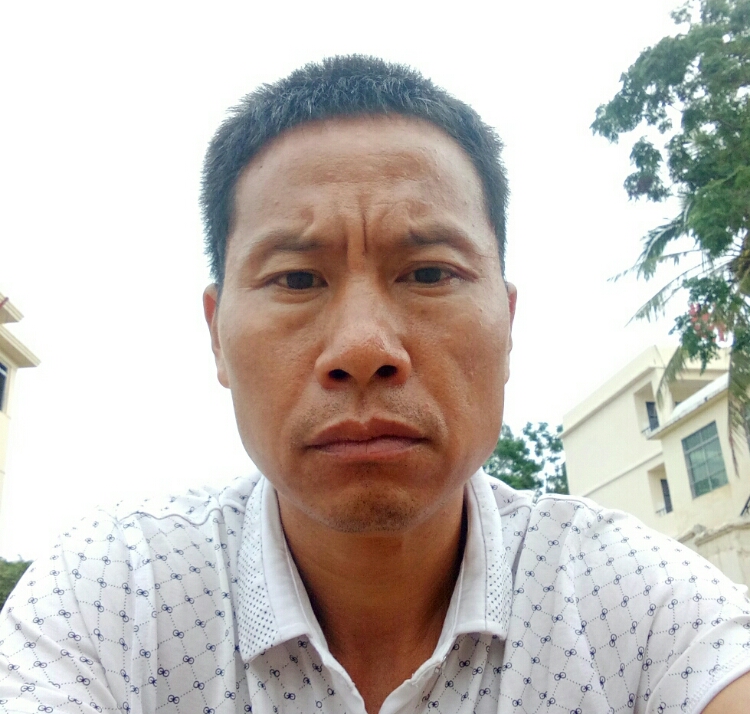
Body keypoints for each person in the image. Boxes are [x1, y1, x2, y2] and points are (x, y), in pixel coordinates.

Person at [1, 56, 749, 714]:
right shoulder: (115, 595)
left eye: (429, 273)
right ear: (216, 335)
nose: (363, 350)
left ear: (508, 323)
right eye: (297, 278)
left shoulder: (637, 608)